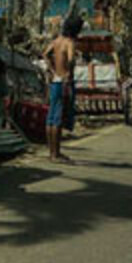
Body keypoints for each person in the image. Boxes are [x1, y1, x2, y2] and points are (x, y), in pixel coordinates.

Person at [43, 15, 80, 161]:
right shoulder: (69, 42)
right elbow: (70, 59)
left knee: (51, 116)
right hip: (64, 81)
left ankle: (51, 152)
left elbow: (45, 54)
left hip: (55, 80)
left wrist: (52, 70)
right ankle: (55, 154)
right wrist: (68, 73)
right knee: (58, 116)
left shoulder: (56, 41)